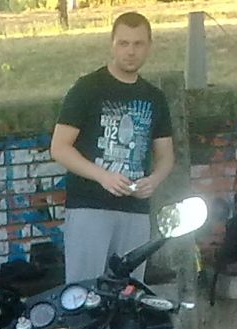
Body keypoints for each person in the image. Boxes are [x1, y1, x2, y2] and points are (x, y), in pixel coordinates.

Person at [50, 11, 175, 284]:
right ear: (112, 44)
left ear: (149, 47)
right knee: (85, 292)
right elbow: (59, 148)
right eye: (123, 43)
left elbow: (166, 155)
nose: (130, 51)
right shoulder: (88, 88)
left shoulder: (154, 97)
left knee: (129, 292)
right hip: (90, 206)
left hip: (136, 210)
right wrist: (103, 176)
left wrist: (153, 180)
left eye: (138, 44)